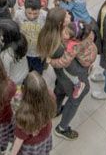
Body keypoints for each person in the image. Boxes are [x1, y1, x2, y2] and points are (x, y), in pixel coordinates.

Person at [38, 8, 86, 139]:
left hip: (60, 76)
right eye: (66, 16)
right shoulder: (60, 45)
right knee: (76, 99)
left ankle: (55, 110)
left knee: (59, 90)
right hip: (71, 77)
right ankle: (62, 128)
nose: (69, 17)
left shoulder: (48, 34)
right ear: (60, 23)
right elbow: (71, 68)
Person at [11, 72, 56, 155]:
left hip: (31, 145)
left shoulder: (24, 116)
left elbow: (19, 139)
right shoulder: (51, 97)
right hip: (45, 135)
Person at [15, 0, 47, 74]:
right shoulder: (18, 15)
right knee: (25, 71)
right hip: (25, 51)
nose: (32, 17)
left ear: (40, 9)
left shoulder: (45, 16)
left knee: (38, 73)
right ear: (24, 8)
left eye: (35, 13)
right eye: (29, 13)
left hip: (39, 53)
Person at [0, 19, 29, 85]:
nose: (0, 33)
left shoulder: (6, 55)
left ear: (7, 36)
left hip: (14, 80)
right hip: (24, 72)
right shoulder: (22, 39)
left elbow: (6, 74)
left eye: (2, 32)